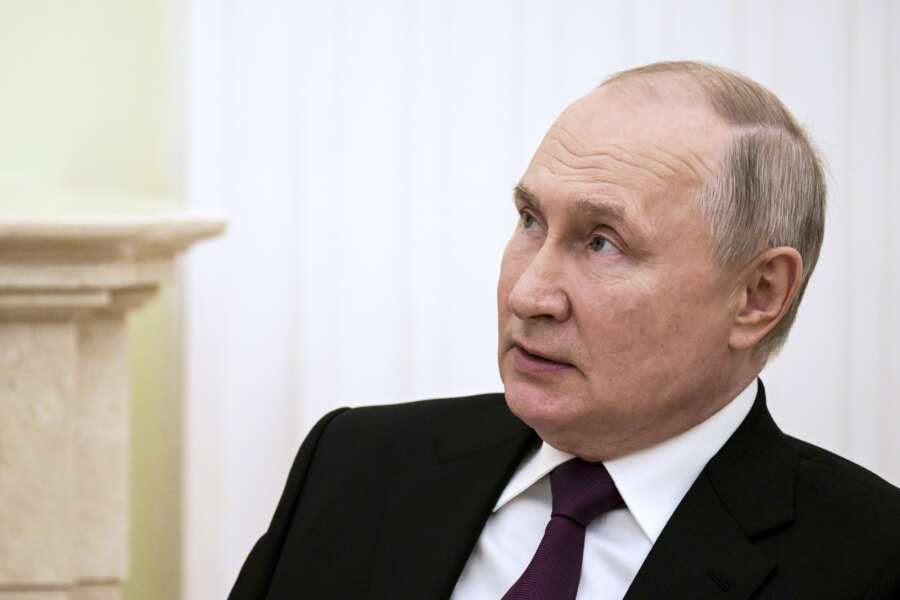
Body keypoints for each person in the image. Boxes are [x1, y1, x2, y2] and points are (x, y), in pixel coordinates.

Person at [228, 61, 900, 599]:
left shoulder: (871, 560)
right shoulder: (354, 466)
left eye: (602, 243)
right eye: (530, 221)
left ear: (758, 295)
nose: (529, 294)